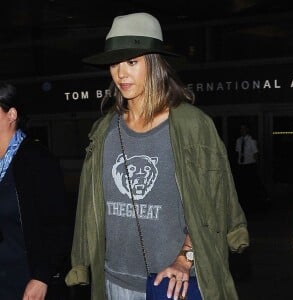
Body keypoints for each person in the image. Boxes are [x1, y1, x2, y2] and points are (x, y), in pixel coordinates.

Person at [65, 12, 249, 300]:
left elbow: (216, 203)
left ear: (156, 63)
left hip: (173, 283)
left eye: (132, 62)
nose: (121, 74)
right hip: (114, 281)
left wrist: (185, 259)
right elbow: (89, 210)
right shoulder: (103, 132)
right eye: (114, 63)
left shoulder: (192, 126)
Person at [0, 83, 71, 299]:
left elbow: (60, 225)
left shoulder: (38, 160)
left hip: (27, 280)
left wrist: (42, 277)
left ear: (11, 114)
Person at [234, 124, 266, 213]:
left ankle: (253, 206)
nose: (242, 131)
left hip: (250, 165)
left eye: (243, 129)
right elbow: (238, 153)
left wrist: (257, 166)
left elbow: (255, 154)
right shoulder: (239, 140)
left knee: (251, 186)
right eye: (241, 129)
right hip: (241, 165)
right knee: (242, 186)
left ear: (247, 130)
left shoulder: (251, 141)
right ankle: (243, 205)